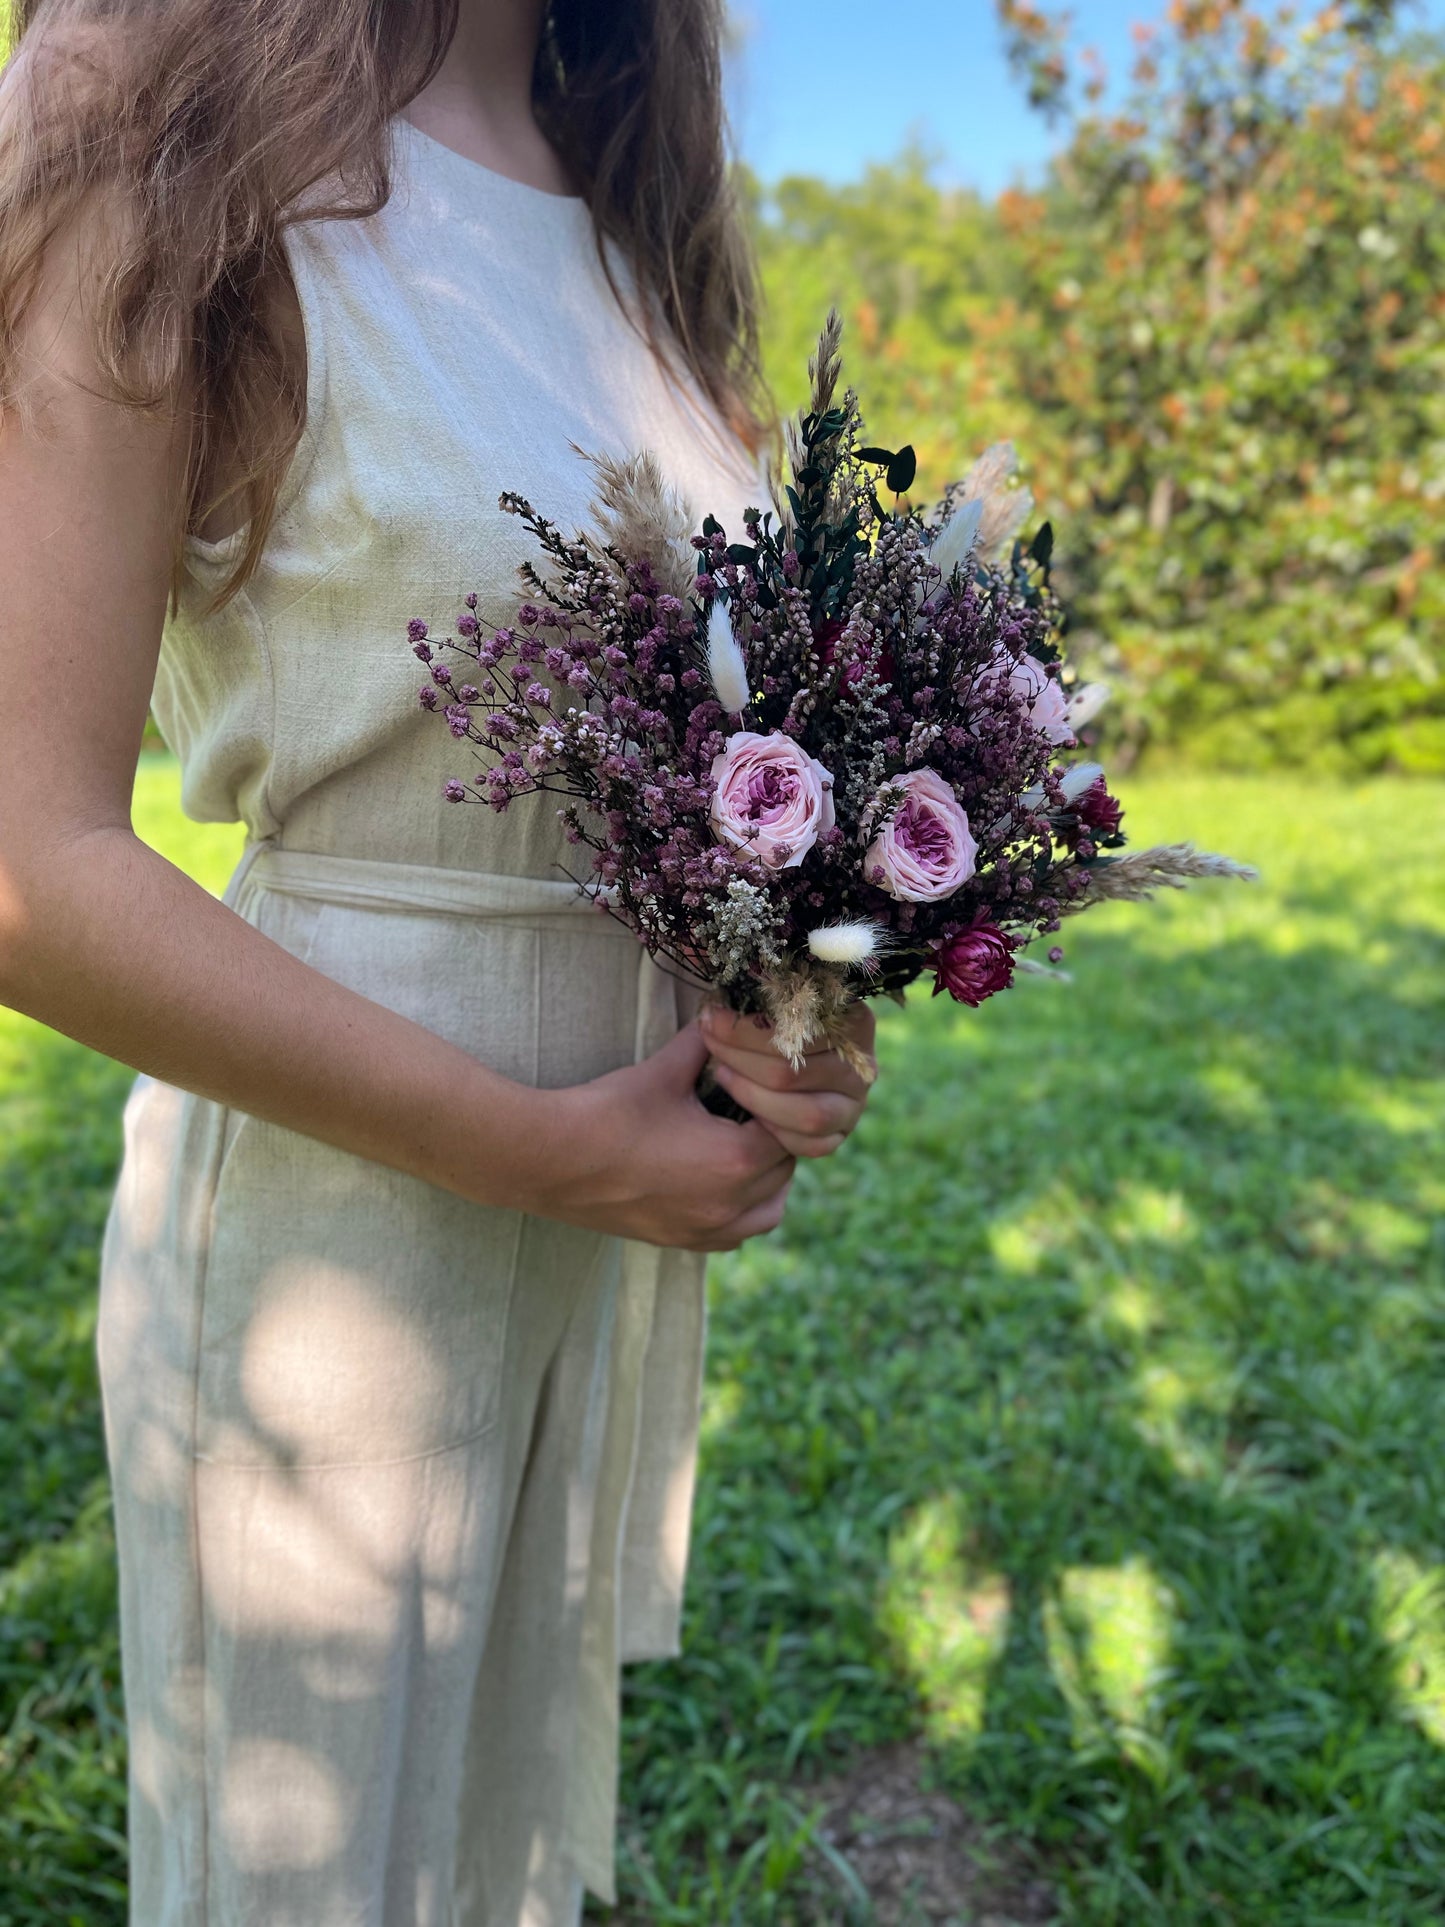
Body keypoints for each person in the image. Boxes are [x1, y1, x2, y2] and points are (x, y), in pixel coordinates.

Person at [0, 1, 877, 1921]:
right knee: (306, 1874)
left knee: (489, 1855)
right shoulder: (144, 84)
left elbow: (686, 774)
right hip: (337, 1246)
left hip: (598, 1219)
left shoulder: (630, 192)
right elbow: (24, 863)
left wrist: (788, 1007)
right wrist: (534, 1144)